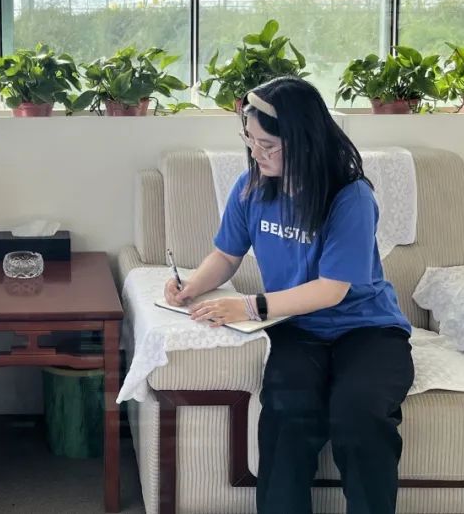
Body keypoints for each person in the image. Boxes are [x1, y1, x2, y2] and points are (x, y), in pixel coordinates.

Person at [164, 76, 413, 514]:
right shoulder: (251, 186)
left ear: (303, 142)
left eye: (268, 145)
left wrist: (249, 306)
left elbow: (332, 290)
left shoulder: (350, 196)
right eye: (250, 140)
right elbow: (226, 255)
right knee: (285, 414)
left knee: (359, 415)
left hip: (368, 330)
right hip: (294, 329)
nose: (255, 153)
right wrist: (191, 287)